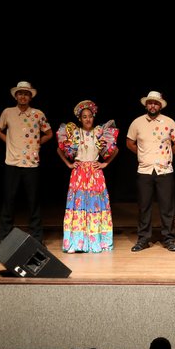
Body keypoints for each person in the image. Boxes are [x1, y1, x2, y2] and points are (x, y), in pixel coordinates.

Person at [56, 100, 118, 254]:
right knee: (78, 206)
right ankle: (77, 242)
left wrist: (105, 164)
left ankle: (96, 241)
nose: (88, 119)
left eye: (90, 116)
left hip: (95, 173)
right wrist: (69, 164)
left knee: (95, 206)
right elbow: (59, 149)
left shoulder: (100, 132)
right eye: (84, 117)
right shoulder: (73, 133)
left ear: (93, 117)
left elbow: (115, 149)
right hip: (79, 174)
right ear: (80, 118)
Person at [0, 81, 53, 245]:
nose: (23, 96)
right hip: (12, 163)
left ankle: (37, 237)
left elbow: (49, 133)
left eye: (26, 94)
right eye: (20, 93)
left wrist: (37, 143)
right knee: (9, 201)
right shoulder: (8, 112)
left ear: (30, 97)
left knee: (33, 201)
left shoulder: (38, 114)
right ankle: (4, 237)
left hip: (31, 163)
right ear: (16, 95)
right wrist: (8, 142)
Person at [126, 90, 175, 252]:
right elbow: (129, 143)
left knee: (167, 207)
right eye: (150, 102)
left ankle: (169, 239)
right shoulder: (137, 122)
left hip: (164, 170)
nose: (153, 105)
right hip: (144, 170)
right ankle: (143, 239)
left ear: (160, 105)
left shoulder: (169, 122)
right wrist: (143, 155)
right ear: (146, 105)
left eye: (156, 103)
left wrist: (168, 155)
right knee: (144, 207)